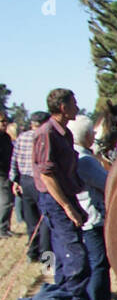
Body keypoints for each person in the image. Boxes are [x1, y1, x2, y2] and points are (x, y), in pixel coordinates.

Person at [29, 88, 96, 300]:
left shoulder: (64, 133)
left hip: (67, 197)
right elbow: (47, 176)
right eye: (74, 102)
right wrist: (67, 207)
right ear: (62, 107)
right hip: (55, 201)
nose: (77, 106)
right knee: (76, 260)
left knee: (67, 259)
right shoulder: (46, 133)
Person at [69, 115, 111, 300]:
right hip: (93, 219)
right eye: (92, 134)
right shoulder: (85, 160)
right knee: (99, 265)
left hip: (84, 217)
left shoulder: (76, 156)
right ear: (86, 136)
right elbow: (107, 183)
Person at [10, 110, 52, 263]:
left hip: (25, 182)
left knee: (31, 220)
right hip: (40, 181)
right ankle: (46, 257)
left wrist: (15, 181)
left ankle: (32, 252)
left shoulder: (22, 137)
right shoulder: (44, 137)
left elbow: (14, 160)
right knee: (46, 220)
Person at [0, 112, 13, 235]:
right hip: (2, 174)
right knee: (6, 202)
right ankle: (2, 229)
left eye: (5, 121)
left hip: (6, 172)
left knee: (8, 201)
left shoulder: (6, 137)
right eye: (1, 121)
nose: (4, 123)